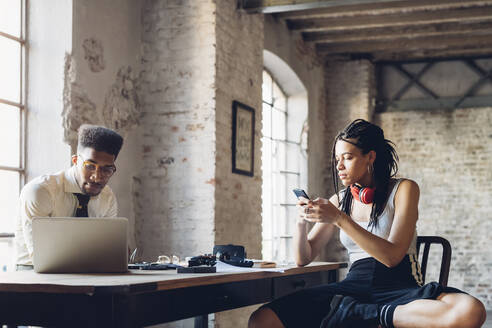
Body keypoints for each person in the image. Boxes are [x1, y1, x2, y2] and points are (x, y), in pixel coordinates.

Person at [249, 119, 486, 328]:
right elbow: (304, 257)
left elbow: (392, 257)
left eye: (348, 158)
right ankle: (373, 315)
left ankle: (367, 315)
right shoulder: (340, 200)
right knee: (262, 319)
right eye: (337, 159)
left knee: (471, 312)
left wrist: (340, 219)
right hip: (353, 288)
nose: (339, 166)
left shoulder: (404, 189)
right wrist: (301, 222)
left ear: (370, 156)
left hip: (401, 286)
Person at [15, 124, 124, 269]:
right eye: (90, 166)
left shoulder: (107, 196)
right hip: (33, 276)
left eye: (107, 169)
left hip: (88, 273)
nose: (97, 177)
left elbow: (107, 252)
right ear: (75, 161)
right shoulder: (40, 191)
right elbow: (40, 257)